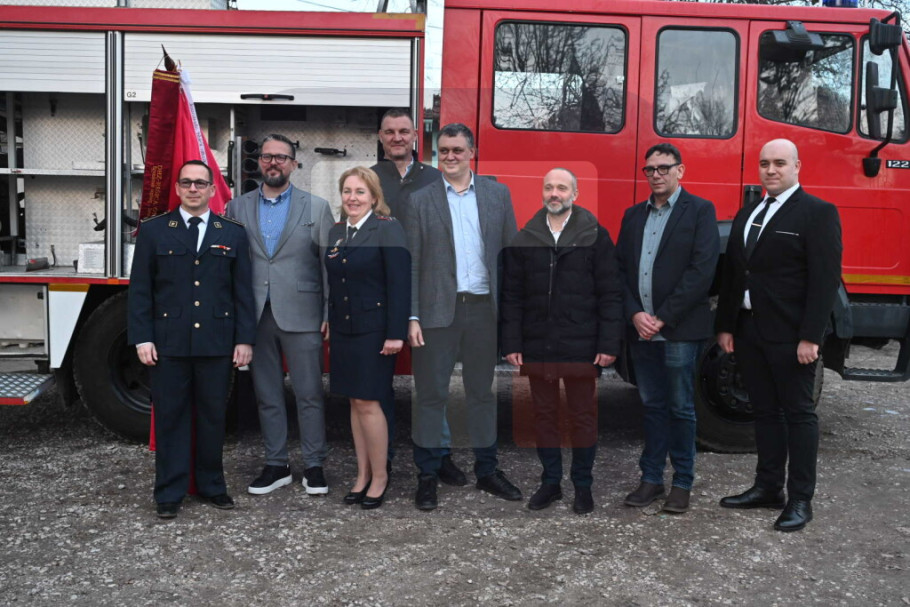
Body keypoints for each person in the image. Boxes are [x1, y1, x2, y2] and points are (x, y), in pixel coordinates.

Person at [715, 138, 842, 532]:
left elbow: (824, 281)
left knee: (799, 414)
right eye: (765, 163)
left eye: (780, 163)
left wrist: (811, 337)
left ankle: (801, 499)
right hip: (749, 330)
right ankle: (768, 487)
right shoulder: (749, 212)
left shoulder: (817, 213)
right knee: (765, 412)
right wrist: (726, 325)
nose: (771, 170)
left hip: (791, 335)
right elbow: (734, 274)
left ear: (797, 166)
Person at [402, 122, 522, 511]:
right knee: (430, 395)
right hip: (437, 312)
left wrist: (512, 317)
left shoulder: (497, 194)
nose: (450, 156)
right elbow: (411, 263)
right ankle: (427, 474)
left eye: (458, 150)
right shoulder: (420, 200)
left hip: (483, 310)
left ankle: (488, 470)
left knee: (481, 394)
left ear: (472, 152)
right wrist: (412, 316)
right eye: (444, 150)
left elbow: (510, 258)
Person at [128, 159, 256, 519]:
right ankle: (169, 492)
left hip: (216, 342)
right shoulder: (155, 231)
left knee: (213, 418)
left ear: (213, 190)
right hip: (169, 343)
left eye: (201, 183)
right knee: (171, 418)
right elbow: (141, 290)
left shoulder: (232, 232)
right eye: (187, 183)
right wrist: (142, 337)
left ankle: (212, 485)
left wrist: (244, 339)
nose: (194, 189)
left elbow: (242, 292)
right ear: (178, 189)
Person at [501, 168, 622, 514]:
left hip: (581, 345)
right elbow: (512, 295)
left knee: (583, 417)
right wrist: (511, 342)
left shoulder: (596, 235)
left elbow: (610, 293)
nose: (555, 193)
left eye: (562, 188)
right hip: (538, 344)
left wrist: (608, 343)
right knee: (544, 416)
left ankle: (583, 486)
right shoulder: (525, 237)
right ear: (542, 192)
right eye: (549, 187)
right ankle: (551, 483)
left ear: (575, 194)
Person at [225, 134, 335, 497]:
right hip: (256, 316)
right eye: (268, 156)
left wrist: (328, 311)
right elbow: (231, 267)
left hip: (303, 314)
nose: (274, 162)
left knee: (309, 394)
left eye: (282, 157)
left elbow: (328, 266)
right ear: (259, 162)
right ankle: (276, 464)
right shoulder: (237, 208)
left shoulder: (316, 207)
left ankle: (314, 465)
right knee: (267, 395)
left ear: (294, 164)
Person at [615, 143, 720, 514]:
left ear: (680, 171)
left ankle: (682, 483)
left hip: (677, 330)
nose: (656, 174)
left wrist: (662, 317)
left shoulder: (701, 211)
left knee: (681, 408)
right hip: (641, 331)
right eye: (650, 169)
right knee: (652, 406)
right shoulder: (632, 216)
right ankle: (651, 479)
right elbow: (619, 271)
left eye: (663, 168)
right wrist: (634, 314)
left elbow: (702, 271)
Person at [370, 108, 465, 486]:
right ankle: (383, 458)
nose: (397, 137)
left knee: (432, 383)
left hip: (428, 295)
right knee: (379, 385)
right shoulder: (367, 178)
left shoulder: (436, 178)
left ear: (415, 136)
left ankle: (439, 455)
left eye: (403, 131)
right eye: (389, 131)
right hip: (379, 294)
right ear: (380, 136)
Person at [325, 166, 410, 510]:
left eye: (360, 192)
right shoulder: (336, 232)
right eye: (347, 191)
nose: (353, 198)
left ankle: (380, 477)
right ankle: (362, 474)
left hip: (374, 331)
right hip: (344, 329)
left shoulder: (387, 229)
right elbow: (335, 283)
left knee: (370, 403)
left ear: (374, 197)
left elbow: (399, 284)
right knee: (354, 402)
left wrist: (395, 333)